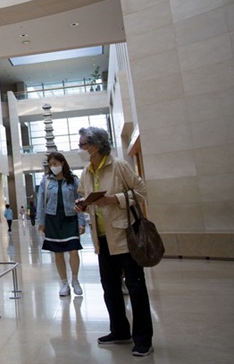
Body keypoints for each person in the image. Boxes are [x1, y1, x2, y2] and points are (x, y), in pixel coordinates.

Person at [74, 127, 154, 357]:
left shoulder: (119, 165)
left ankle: (143, 339)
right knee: (110, 288)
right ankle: (119, 331)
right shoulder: (87, 172)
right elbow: (85, 198)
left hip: (125, 236)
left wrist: (114, 199)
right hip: (101, 238)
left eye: (82, 145)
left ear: (95, 146)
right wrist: (81, 204)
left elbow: (141, 191)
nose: (80, 149)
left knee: (136, 288)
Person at [36, 152, 86, 297]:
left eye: (55, 164)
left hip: (70, 218)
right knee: (58, 253)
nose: (53, 167)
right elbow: (41, 203)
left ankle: (75, 280)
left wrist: (81, 222)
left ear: (62, 163)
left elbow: (81, 202)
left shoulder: (73, 180)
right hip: (52, 219)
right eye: (51, 164)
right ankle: (64, 282)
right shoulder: (46, 181)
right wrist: (41, 222)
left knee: (73, 250)